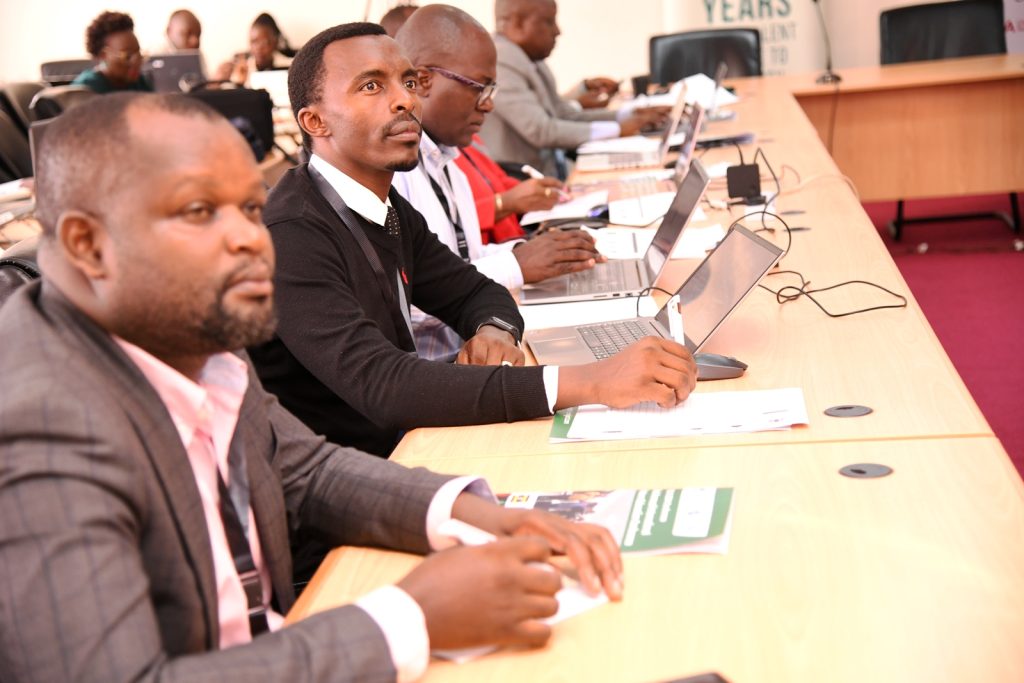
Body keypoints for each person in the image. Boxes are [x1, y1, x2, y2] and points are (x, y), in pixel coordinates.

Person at [0, 91, 625, 682]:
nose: (250, 237)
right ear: (88, 244)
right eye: (198, 211)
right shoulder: (41, 424)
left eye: (250, 207)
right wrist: (412, 618)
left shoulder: (187, 335)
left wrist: (479, 516)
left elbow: (304, 469)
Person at [247, 22, 696, 457]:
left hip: (416, 448)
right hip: (354, 484)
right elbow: (386, 387)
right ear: (314, 121)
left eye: (408, 81)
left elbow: (477, 292)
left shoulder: (383, 206)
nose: (405, 99)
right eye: (372, 86)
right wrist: (591, 382)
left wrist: (494, 332)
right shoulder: (290, 234)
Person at [392, 5, 604, 360]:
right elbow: (409, 302)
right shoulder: (396, 175)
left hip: (483, 345)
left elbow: (463, 259)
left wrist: (533, 252)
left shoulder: (449, 163)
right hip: (443, 372)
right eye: (480, 88)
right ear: (424, 80)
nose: (488, 106)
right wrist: (516, 265)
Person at [480, 0, 666, 178]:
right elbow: (541, 131)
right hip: (527, 184)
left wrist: (629, 115)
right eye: (548, 22)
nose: (557, 31)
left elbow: (564, 114)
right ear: (518, 23)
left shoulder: (528, 58)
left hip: (553, 172)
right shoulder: (501, 60)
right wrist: (618, 129)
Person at [72, 11, 154, 93]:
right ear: (103, 55)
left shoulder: (139, 82)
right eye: (127, 56)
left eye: (138, 53)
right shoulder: (86, 88)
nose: (137, 62)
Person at [216, 12, 295, 85]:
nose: (258, 48)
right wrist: (239, 83)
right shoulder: (242, 69)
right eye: (253, 42)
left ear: (275, 42)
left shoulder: (292, 66)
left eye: (264, 42)